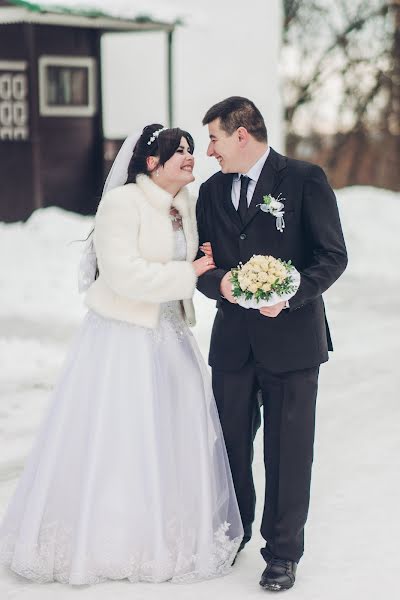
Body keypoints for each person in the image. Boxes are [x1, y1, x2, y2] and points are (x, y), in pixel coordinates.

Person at [0, 124, 243, 585]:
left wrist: (203, 261)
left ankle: (170, 538)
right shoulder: (122, 204)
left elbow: (188, 260)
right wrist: (186, 273)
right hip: (123, 338)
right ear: (152, 163)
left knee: (175, 432)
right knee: (123, 434)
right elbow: (122, 274)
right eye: (181, 151)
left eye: (192, 149)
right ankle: (111, 541)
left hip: (171, 335)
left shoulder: (184, 205)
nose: (191, 156)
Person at [196, 97, 348, 591]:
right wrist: (220, 283)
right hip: (233, 344)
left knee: (288, 452)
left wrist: (290, 293)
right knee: (229, 446)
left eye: (214, 138)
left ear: (242, 135)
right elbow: (204, 267)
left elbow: (332, 256)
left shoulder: (305, 179)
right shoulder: (211, 192)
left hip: (293, 342)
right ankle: (233, 532)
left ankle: (282, 553)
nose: (209, 151)